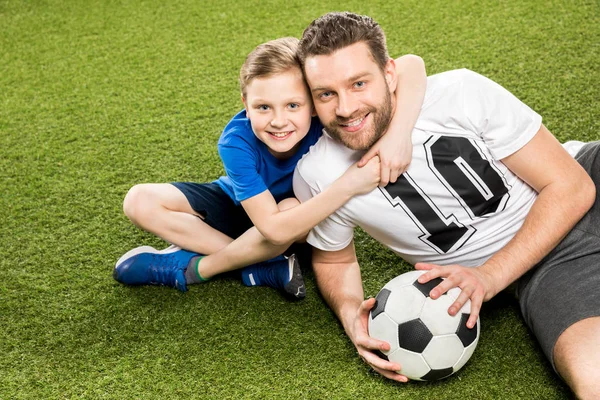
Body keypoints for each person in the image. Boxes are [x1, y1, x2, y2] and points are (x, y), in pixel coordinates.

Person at [292, 11, 599, 398]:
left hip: (585, 175)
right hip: (542, 267)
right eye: (326, 94)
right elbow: (335, 259)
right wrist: (351, 313)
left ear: (389, 74)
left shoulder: (459, 91)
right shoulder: (318, 173)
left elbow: (571, 185)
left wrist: (488, 277)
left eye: (358, 83)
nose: (346, 107)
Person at [112, 37, 427, 299]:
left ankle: (198, 269)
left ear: (314, 104)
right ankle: (260, 265)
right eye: (263, 107)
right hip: (247, 209)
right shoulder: (235, 141)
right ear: (245, 105)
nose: (278, 121)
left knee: (289, 210)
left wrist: (399, 135)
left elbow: (411, 64)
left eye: (293, 105)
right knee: (138, 200)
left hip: (296, 219)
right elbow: (270, 227)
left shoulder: (331, 118)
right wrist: (350, 184)